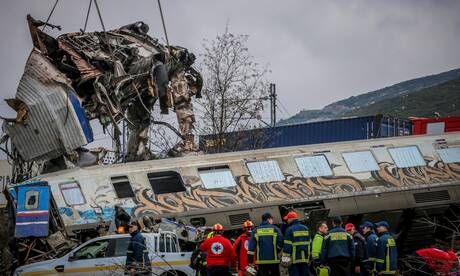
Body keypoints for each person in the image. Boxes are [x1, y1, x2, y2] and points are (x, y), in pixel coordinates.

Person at [282, 211, 311, 276]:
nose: (287, 221)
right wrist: (309, 258)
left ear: (291, 219)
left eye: (287, 219)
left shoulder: (289, 229)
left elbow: (287, 245)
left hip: (294, 260)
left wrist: (285, 260)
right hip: (305, 259)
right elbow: (310, 244)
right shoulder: (306, 228)